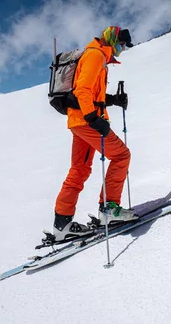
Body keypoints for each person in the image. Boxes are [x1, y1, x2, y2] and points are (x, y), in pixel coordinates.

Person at [52, 26, 136, 241]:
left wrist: (113, 100)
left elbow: (91, 92)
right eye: (122, 45)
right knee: (121, 156)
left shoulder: (96, 55)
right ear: (113, 40)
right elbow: (82, 90)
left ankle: (62, 224)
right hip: (86, 121)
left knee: (79, 169)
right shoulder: (96, 55)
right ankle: (109, 209)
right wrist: (93, 118)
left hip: (78, 121)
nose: (122, 50)